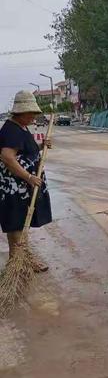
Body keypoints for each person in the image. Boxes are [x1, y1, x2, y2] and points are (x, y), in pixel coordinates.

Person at [0, 90, 52, 271]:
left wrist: (40, 146)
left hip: (23, 187)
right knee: (16, 224)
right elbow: (7, 157)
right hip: (15, 189)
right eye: (31, 113)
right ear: (20, 112)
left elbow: (23, 150)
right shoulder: (10, 129)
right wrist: (29, 177)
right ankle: (18, 262)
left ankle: (21, 260)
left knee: (21, 223)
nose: (33, 117)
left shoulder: (20, 127)